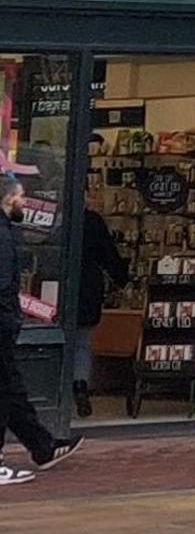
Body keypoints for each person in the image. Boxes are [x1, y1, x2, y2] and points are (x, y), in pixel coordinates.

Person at [0, 180, 74, 480]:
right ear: (7, 198)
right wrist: (11, 318)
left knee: (10, 387)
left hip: (5, 323)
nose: (24, 201)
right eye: (19, 196)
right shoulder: (3, 235)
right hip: (1, 323)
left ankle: (42, 447)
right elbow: (2, 283)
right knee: (5, 389)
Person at [73, 206, 130, 419]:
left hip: (54, 286)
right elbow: (108, 254)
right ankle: (80, 385)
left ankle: (56, 387)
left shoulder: (54, 217)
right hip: (88, 286)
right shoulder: (92, 220)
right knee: (82, 342)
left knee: (59, 340)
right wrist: (122, 278)